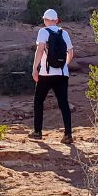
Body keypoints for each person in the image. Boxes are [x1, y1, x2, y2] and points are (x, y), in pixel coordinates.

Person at [30, 8, 73, 144]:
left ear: (45, 20)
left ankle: (37, 131)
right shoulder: (64, 33)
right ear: (56, 20)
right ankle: (68, 134)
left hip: (46, 73)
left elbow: (40, 50)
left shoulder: (43, 32)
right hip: (62, 74)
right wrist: (63, 66)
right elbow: (71, 53)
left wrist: (35, 68)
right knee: (63, 103)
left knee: (38, 101)